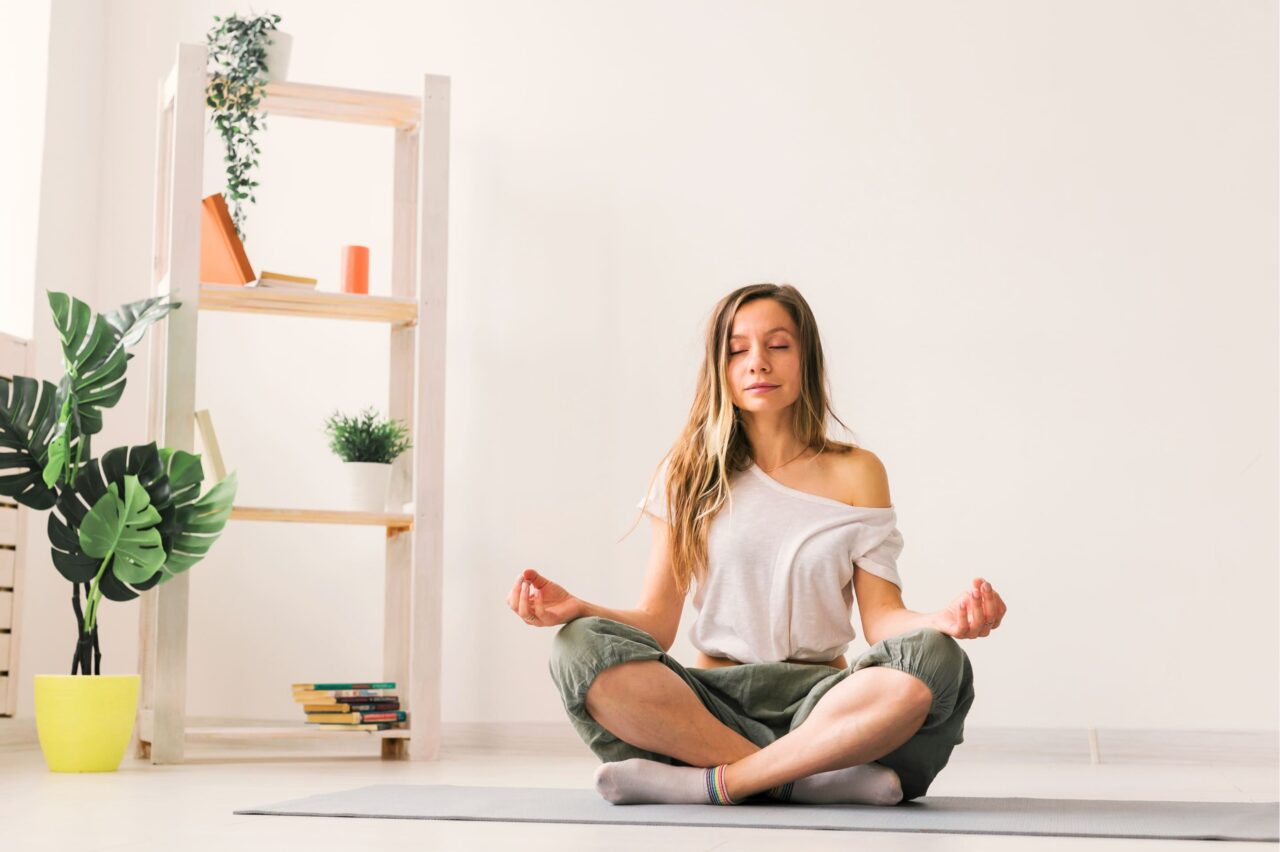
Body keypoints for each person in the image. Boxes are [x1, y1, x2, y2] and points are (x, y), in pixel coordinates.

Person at [505, 283, 1007, 806]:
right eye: (737, 349)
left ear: (806, 359)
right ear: (718, 368)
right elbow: (657, 622)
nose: (758, 363)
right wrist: (576, 609)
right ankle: (809, 777)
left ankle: (717, 782)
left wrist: (942, 621)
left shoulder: (858, 472)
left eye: (778, 346)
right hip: (709, 704)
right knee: (578, 647)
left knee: (937, 659)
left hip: (826, 704)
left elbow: (882, 621)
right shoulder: (688, 473)